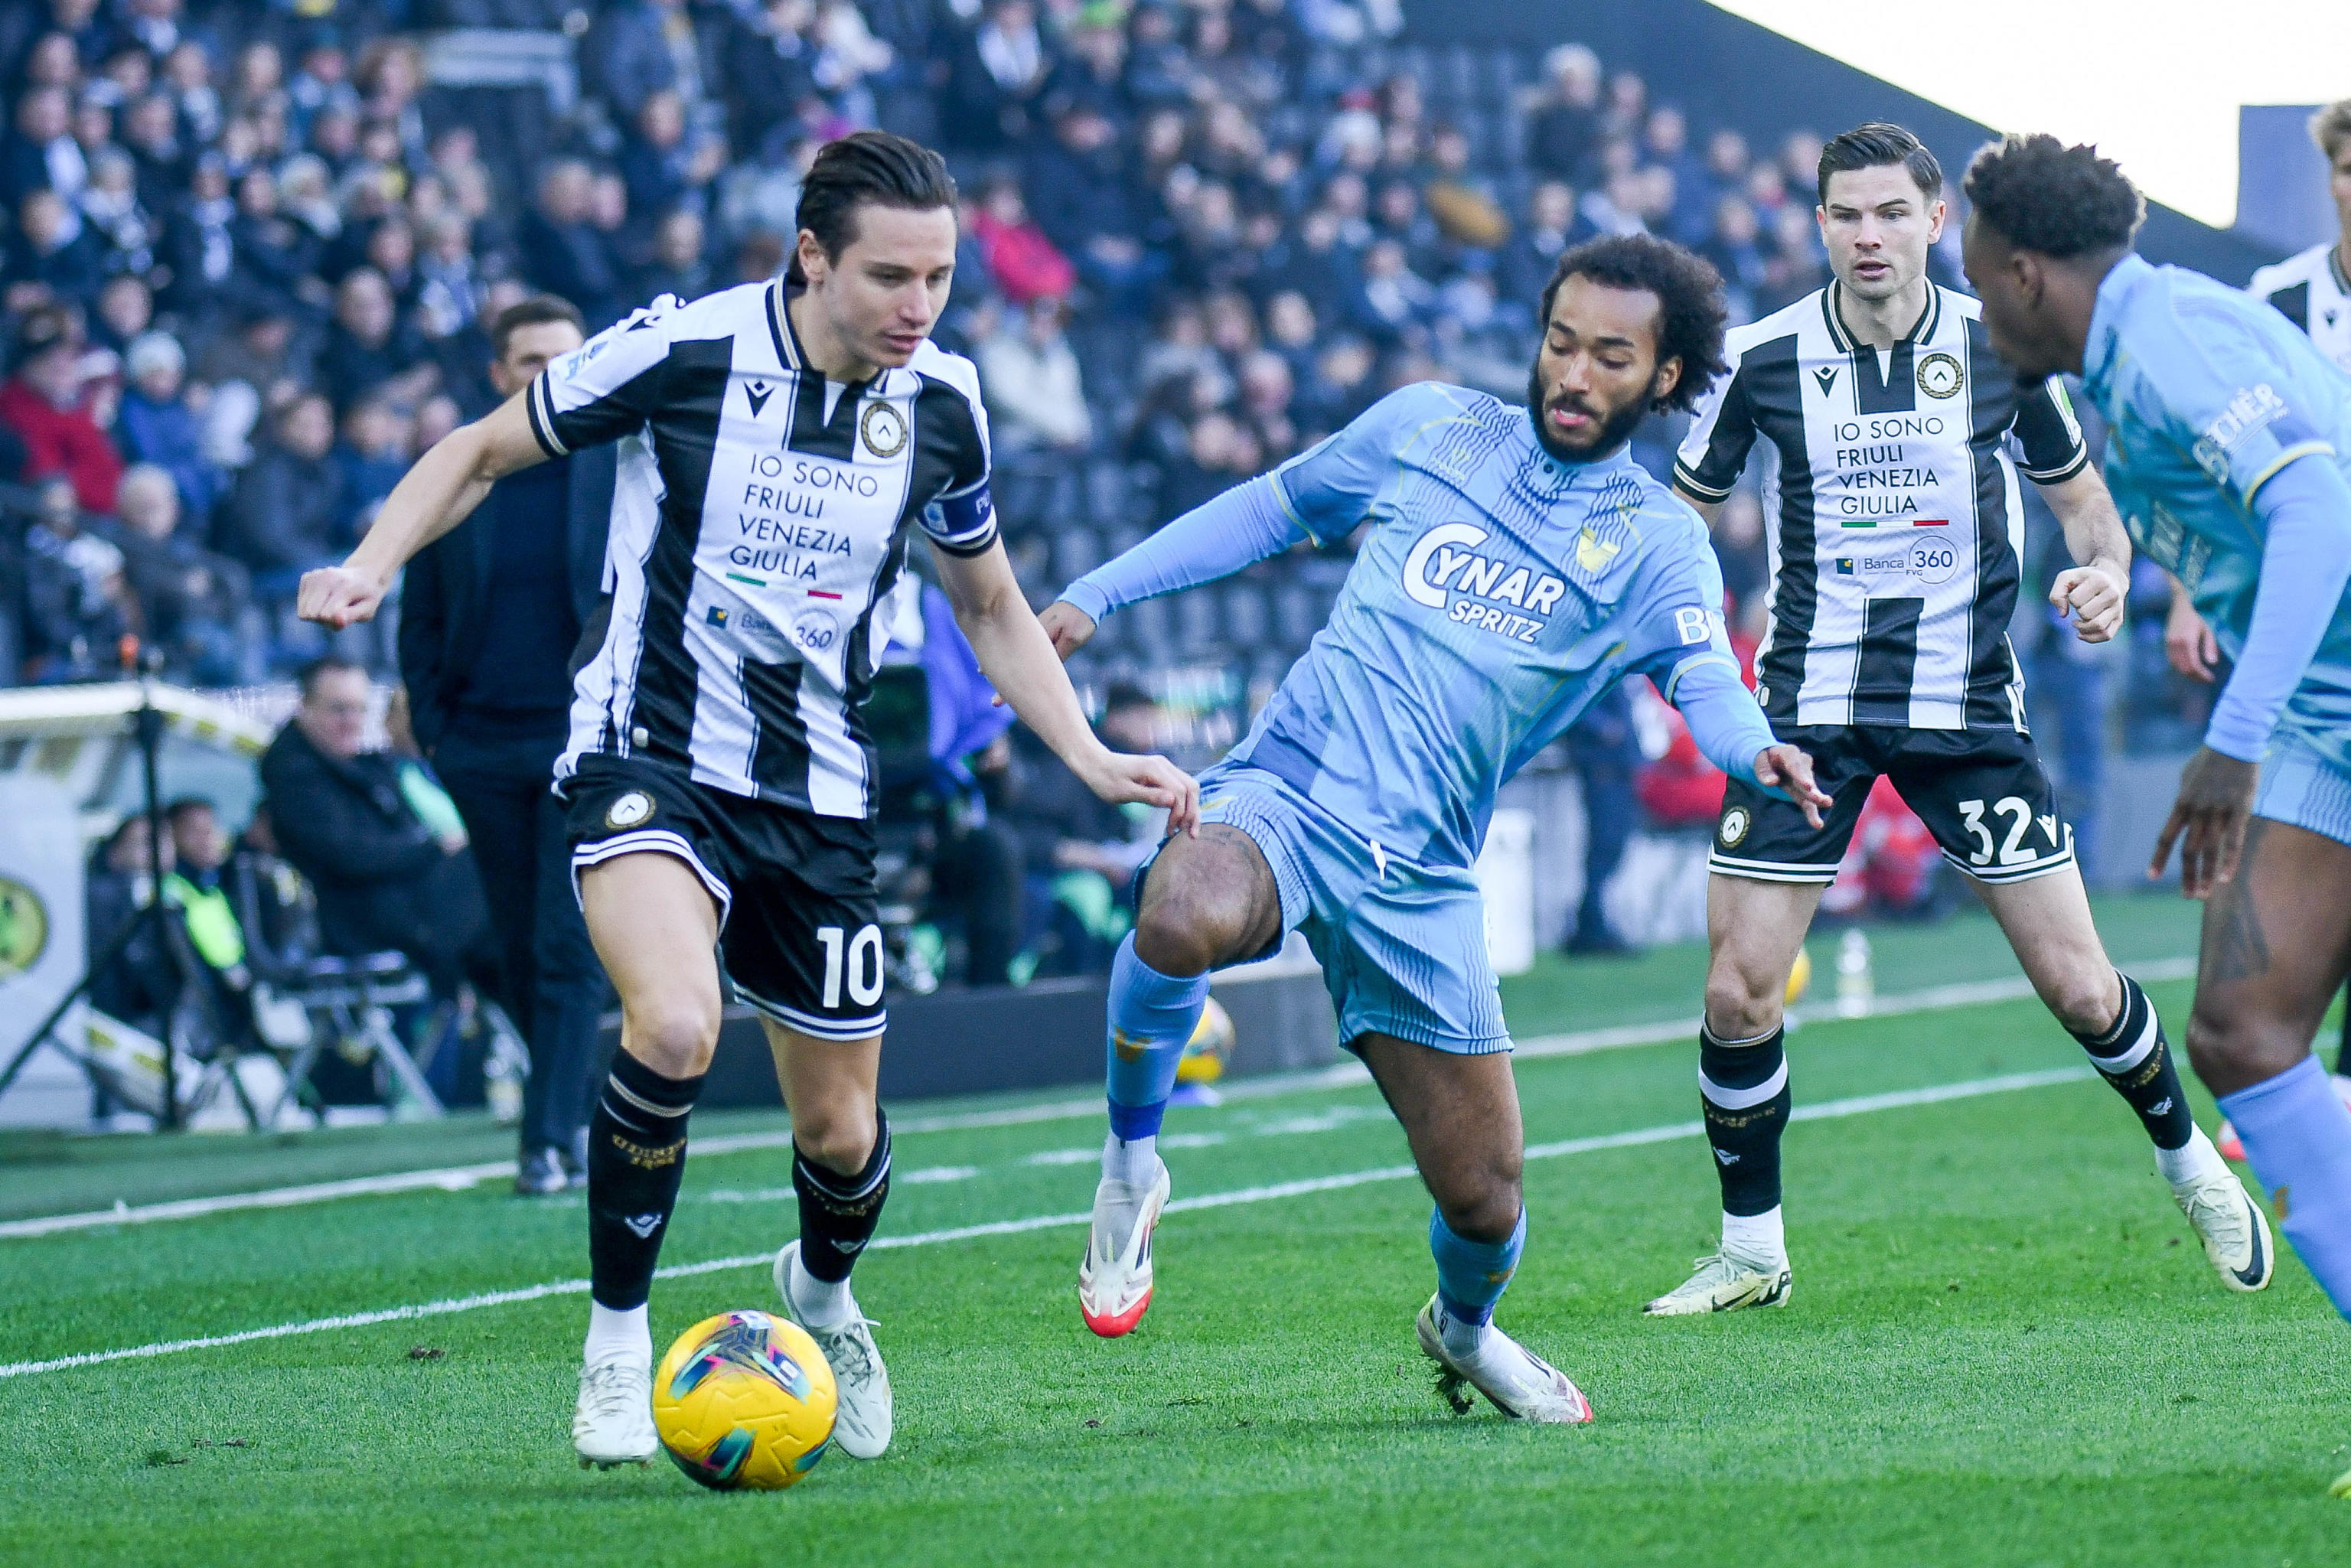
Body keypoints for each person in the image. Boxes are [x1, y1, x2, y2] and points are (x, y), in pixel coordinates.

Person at [295, 131, 1197, 1469]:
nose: (919, 305)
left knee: (841, 1132)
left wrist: (1089, 756)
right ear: (811, 257)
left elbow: (990, 603)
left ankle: (821, 1297)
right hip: (647, 753)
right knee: (672, 1024)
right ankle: (616, 1339)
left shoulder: (943, 404)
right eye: (890, 275)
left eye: (941, 278)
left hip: (820, 796)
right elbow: (480, 449)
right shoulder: (684, 350)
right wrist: (370, 563)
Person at [1042, 233, 1831, 1420]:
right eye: (1561, 343)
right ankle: (1128, 1168)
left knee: (1485, 1199)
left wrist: (1753, 748)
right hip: (1290, 797)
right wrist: (1098, 592)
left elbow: (1703, 679)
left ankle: (1463, 1331)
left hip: (1420, 878)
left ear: (1665, 377)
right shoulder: (1432, 425)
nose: (1574, 375)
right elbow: (1268, 508)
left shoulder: (1657, 540)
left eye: (1611, 358)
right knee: (1182, 907)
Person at [1649, 124, 2265, 1316]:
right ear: (1820, 224)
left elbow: (2089, 511)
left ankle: (2190, 1163)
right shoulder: (1764, 360)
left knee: (2081, 988)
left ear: (1937, 222)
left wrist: (2102, 573)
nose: (1868, 235)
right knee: (1737, 992)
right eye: (1846, 214)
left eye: (1892, 212)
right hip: (1805, 712)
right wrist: (1677, 642)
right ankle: (1753, 1250)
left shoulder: (2003, 348)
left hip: (1966, 709)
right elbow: (1678, 526)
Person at [1961, 133, 2351, 1495]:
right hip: (2324, 724)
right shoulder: (2120, 360)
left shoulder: (2173, 335)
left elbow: (2318, 510)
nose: (1973, 305)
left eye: (1977, 277)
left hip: (2301, 723)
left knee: (2247, 1032)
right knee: (2239, 1030)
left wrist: (2230, 745)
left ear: (2026, 273)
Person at [399, 295, 618, 1198]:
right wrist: (438, 730)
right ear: (499, 374)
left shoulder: (620, 466)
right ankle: (572, 1110)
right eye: (531, 361)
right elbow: (421, 613)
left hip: (583, 743)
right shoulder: (459, 471)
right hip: (481, 748)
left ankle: (547, 1138)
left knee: (566, 943)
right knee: (517, 945)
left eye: (565, 358)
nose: (550, 375)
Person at [257, 657, 487, 993]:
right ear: (304, 708)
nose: (352, 722)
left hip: (400, 907)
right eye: (339, 710)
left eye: (360, 710)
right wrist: (433, 848)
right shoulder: (296, 777)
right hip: (364, 921)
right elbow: (349, 854)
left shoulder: (356, 765)